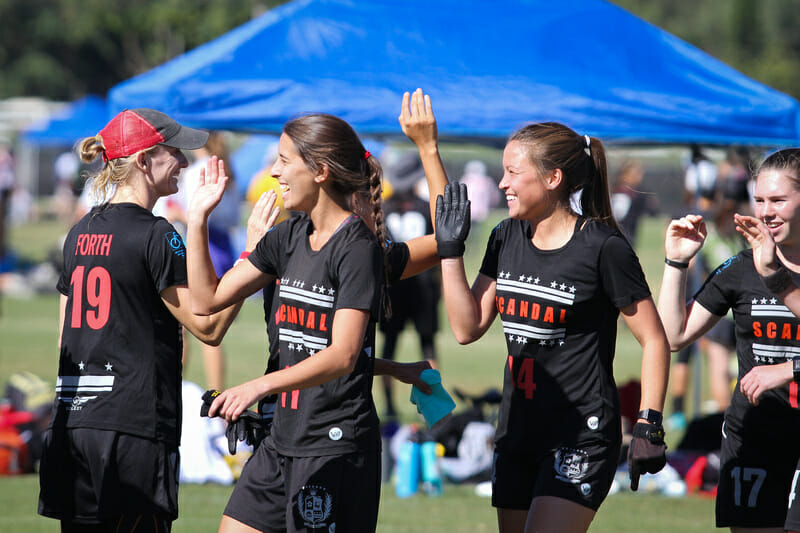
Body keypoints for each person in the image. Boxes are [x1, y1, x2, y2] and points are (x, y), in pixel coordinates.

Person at [186, 89, 451, 533]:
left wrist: (427, 148)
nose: (273, 171)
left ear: (321, 171)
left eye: (285, 160)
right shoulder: (286, 239)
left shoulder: (360, 251)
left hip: (333, 445)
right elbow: (206, 301)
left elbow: (343, 355)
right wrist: (197, 220)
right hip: (280, 437)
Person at [435, 123, 671, 533]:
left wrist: (649, 422)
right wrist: (450, 252)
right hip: (517, 428)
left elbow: (654, 339)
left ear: (552, 178)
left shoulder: (603, 247)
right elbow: (466, 326)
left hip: (581, 432)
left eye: (513, 172)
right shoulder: (505, 235)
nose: (502, 183)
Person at [37, 109, 251, 532]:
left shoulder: (79, 233)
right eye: (175, 152)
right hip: (133, 432)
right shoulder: (159, 233)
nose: (185, 164)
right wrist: (253, 257)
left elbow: (66, 336)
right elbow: (208, 328)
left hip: (73, 429)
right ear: (143, 160)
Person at [658, 147, 800, 532]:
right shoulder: (742, 267)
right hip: (754, 435)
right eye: (759, 200)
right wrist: (676, 262)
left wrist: (787, 369)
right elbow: (674, 335)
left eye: (778, 200)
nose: (766, 211)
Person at [379, 152, 441, 418]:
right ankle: (432, 406)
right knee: (427, 346)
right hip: (424, 286)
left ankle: (390, 406)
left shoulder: (383, 208)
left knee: (389, 346)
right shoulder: (425, 207)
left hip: (393, 287)